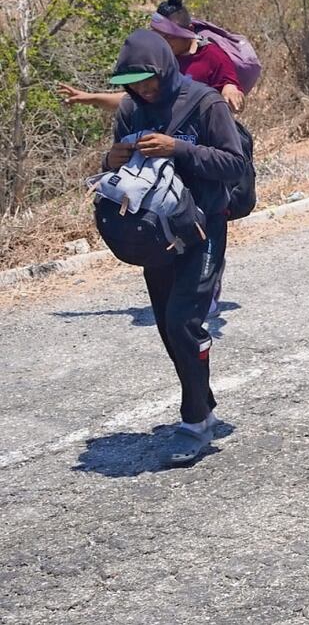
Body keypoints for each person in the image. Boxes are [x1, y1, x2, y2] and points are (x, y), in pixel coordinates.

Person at [103, 30, 247, 466]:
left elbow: (234, 163)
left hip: (204, 229)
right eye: (133, 83)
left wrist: (178, 147)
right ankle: (201, 399)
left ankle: (194, 421)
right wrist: (110, 161)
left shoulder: (206, 103)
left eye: (149, 80)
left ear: (165, 70)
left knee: (185, 321)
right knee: (169, 325)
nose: (143, 90)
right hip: (155, 236)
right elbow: (119, 173)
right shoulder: (129, 110)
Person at [59, 0, 246, 114]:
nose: (162, 43)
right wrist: (89, 98)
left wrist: (230, 91)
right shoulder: (156, 60)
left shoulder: (211, 55)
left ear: (188, 31)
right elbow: (134, 99)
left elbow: (229, 86)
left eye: (169, 37)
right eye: (157, 37)